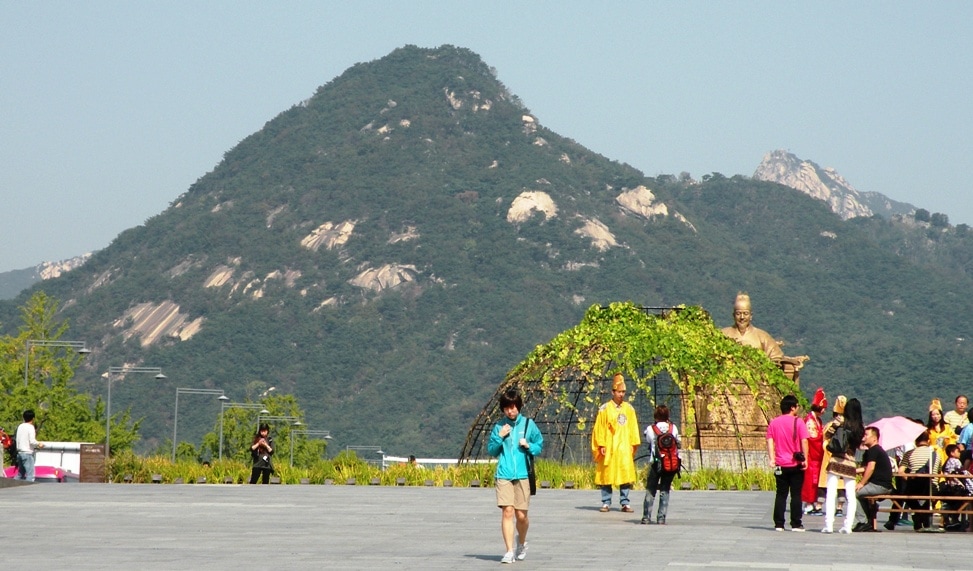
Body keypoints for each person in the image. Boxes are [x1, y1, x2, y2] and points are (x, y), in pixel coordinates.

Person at [487, 387, 543, 564]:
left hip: (523, 474)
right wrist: (500, 437)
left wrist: (529, 446)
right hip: (504, 474)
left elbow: (539, 444)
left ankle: (522, 542)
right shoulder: (499, 426)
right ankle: (509, 551)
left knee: (521, 516)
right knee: (507, 512)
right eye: (506, 408)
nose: (510, 411)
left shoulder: (528, 424)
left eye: (513, 407)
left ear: (518, 406)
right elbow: (492, 450)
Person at [592, 373, 640, 513]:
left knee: (625, 473)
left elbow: (633, 428)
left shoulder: (629, 409)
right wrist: (601, 444)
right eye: (619, 392)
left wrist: (632, 444)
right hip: (609, 447)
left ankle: (625, 502)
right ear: (613, 392)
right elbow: (599, 428)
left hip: (624, 446)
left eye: (623, 392)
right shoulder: (604, 409)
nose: (621, 394)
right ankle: (606, 502)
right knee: (607, 473)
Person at [766, 394, 810, 532]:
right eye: (797, 406)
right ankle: (796, 523)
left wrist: (772, 459)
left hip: (780, 464)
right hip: (795, 464)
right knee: (796, 494)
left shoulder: (774, 423)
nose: (798, 408)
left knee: (781, 494)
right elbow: (804, 441)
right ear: (792, 407)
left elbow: (770, 441)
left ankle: (779, 523)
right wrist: (805, 459)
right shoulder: (799, 422)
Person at [822, 397, 864, 534]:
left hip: (836, 460)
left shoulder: (840, 422)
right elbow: (859, 445)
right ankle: (848, 526)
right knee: (851, 496)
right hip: (850, 462)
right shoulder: (860, 427)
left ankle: (829, 525)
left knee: (831, 493)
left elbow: (827, 435)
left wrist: (836, 425)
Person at [641, 405, 681, 525]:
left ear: (656, 416)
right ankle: (661, 518)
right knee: (665, 490)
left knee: (650, 490)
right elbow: (678, 442)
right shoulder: (673, 428)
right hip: (670, 463)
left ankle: (646, 517)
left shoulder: (651, 429)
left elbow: (648, 440)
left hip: (656, 463)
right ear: (667, 415)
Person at [720, 292, 783, 362]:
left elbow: (776, 356)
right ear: (733, 315)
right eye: (738, 314)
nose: (742, 317)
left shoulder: (762, 336)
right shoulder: (723, 334)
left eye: (745, 313)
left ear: (751, 316)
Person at [852, 426, 894, 532]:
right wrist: (852, 471)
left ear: (874, 438)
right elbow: (866, 467)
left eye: (866, 435)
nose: (863, 438)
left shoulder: (874, 450)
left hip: (880, 486)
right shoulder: (874, 450)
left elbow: (870, 468)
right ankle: (868, 518)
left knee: (854, 493)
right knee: (861, 495)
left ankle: (863, 522)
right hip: (880, 485)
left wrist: (861, 483)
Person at [898, 431, 941, 531]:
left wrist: (910, 479)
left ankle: (918, 514)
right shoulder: (936, 454)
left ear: (916, 441)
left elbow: (900, 472)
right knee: (931, 498)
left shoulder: (909, 453)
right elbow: (938, 472)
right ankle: (923, 516)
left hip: (914, 486)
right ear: (928, 440)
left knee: (907, 495)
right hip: (931, 487)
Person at [802, 388, 827, 516]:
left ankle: (812, 502)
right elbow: (813, 439)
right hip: (812, 454)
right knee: (810, 480)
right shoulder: (810, 420)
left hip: (816, 456)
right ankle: (808, 503)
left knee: (814, 481)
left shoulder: (817, 420)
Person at [14, 409, 44, 482]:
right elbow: (32, 441)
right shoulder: (30, 427)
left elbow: (17, 439)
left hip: (19, 453)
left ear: (24, 417)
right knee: (30, 475)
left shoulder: (20, 426)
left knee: (20, 474)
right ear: (33, 418)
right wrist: (39, 444)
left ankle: (12, 485)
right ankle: (29, 488)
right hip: (27, 453)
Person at [927, 399, 956, 463]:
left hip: (945, 454)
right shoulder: (928, 429)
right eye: (933, 415)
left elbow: (953, 439)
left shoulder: (947, 427)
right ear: (930, 416)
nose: (936, 416)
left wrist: (948, 439)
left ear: (941, 415)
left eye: (938, 414)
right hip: (933, 455)